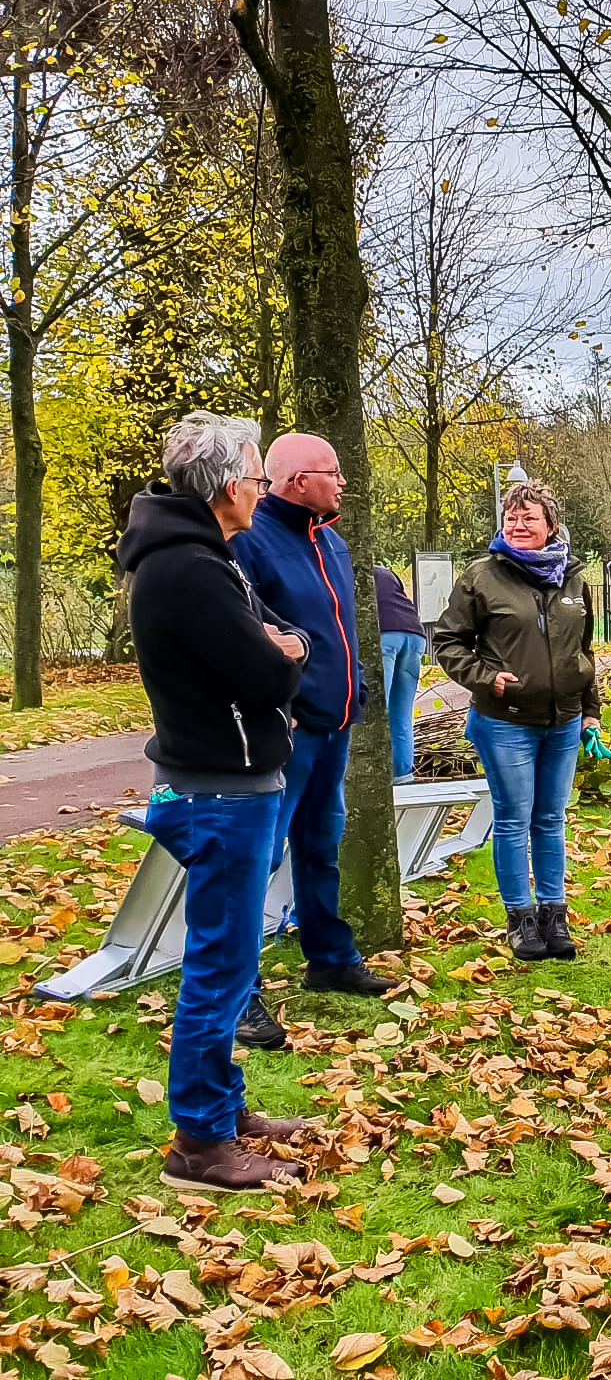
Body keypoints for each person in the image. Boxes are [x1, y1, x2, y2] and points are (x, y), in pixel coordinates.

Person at [118, 413, 312, 1192]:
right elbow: (269, 672)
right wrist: (283, 658)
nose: (264, 490)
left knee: (231, 961)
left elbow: (282, 633)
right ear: (232, 487)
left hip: (231, 782)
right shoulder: (189, 570)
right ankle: (198, 1142)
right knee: (219, 964)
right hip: (219, 791)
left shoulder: (207, 557)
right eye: (261, 477)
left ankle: (222, 1109)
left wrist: (280, 647)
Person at [231, 433, 392, 1049]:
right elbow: (248, 632)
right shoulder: (250, 541)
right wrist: (283, 705)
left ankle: (328, 958)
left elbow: (338, 628)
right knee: (260, 856)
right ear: (298, 481)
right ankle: (240, 996)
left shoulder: (331, 539)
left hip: (336, 722)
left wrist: (356, 687)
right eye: (334, 471)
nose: (343, 481)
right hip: (288, 729)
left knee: (321, 845)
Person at [432, 480, 600, 963]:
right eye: (510, 517)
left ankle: (554, 913)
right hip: (505, 721)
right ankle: (520, 919)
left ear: (551, 524)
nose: (517, 524)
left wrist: (590, 712)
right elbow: (448, 641)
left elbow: (581, 653)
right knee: (513, 819)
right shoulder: (482, 577)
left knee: (550, 820)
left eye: (529, 517)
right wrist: (487, 678)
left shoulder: (573, 578)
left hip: (564, 722)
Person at [377, 566, 426, 784]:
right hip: (414, 635)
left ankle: (373, 777)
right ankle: (402, 775)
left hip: (383, 634)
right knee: (401, 712)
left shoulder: (344, 568)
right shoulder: (384, 572)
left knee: (377, 709)